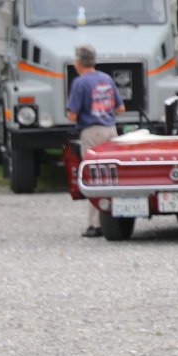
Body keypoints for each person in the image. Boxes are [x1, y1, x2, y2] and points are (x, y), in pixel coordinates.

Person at [65, 44, 126, 237]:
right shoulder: (106, 79)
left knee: (94, 176)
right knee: (112, 175)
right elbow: (120, 108)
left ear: (77, 62)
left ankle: (95, 224)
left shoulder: (80, 83)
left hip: (91, 132)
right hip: (111, 130)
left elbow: (72, 115)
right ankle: (112, 216)